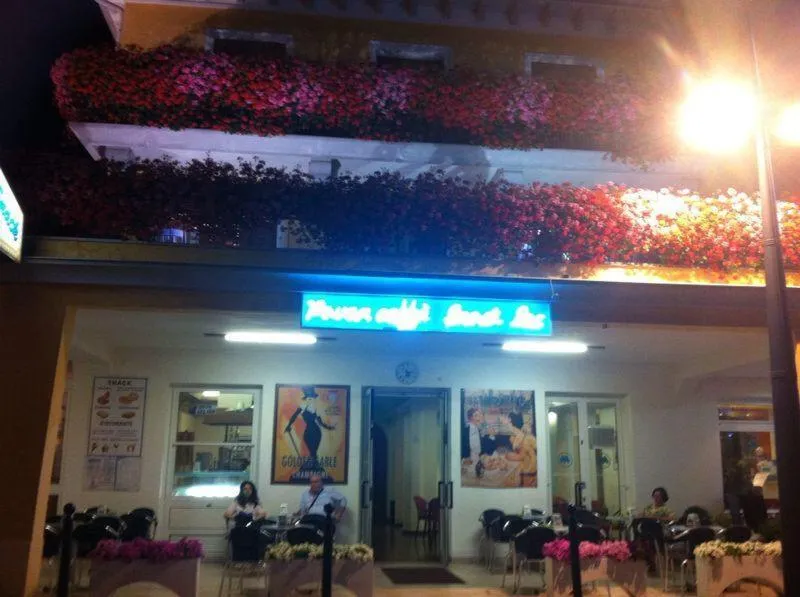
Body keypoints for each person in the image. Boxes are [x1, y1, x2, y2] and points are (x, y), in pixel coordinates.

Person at [284, 386, 336, 479]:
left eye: (312, 397)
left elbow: (320, 422)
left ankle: (314, 468)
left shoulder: (314, 408)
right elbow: (294, 416)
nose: (311, 399)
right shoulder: (303, 406)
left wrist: (329, 427)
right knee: (312, 452)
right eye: (309, 397)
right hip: (308, 431)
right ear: (307, 397)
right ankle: (312, 467)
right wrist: (289, 425)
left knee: (313, 453)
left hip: (316, 431)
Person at [505, 412, 537, 486]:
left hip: (530, 467)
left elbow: (521, 456)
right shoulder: (517, 436)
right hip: (527, 464)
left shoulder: (526, 438)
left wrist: (508, 456)